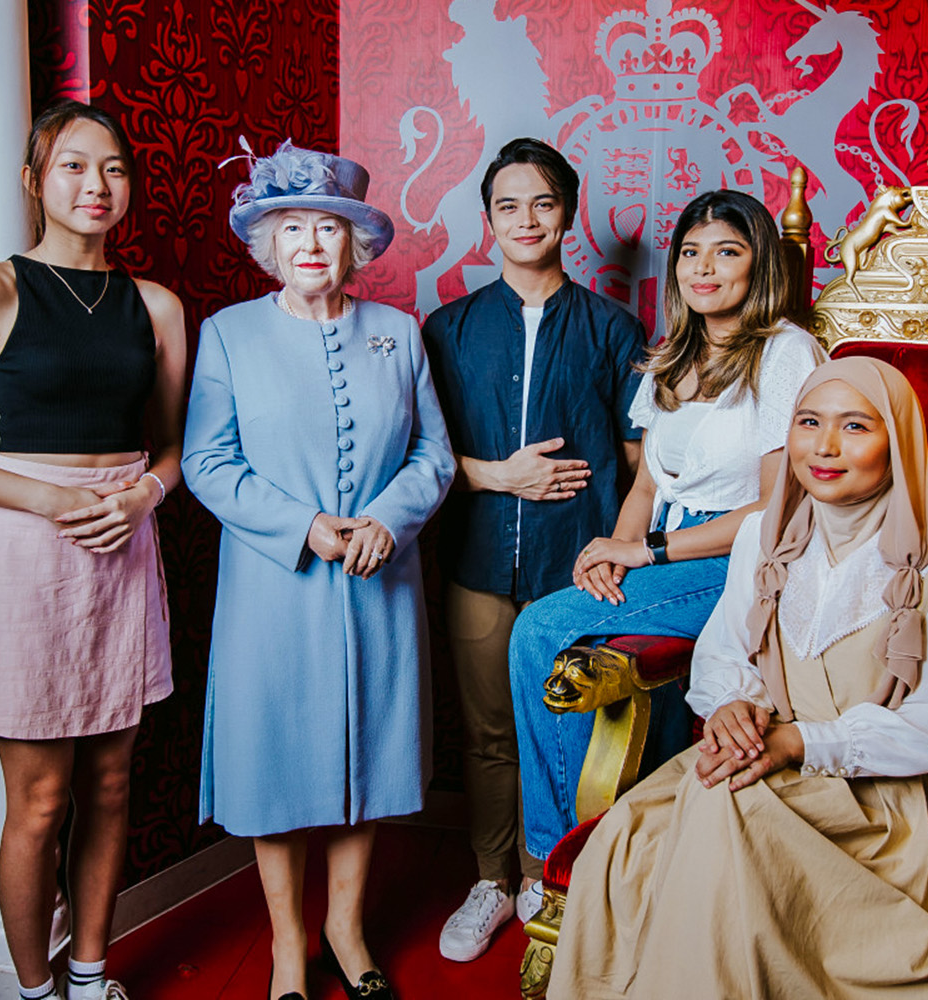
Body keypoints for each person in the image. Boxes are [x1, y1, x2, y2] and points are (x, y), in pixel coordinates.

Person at [550, 356, 928, 999]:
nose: (826, 446)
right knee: (645, 831)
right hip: (773, 753)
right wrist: (732, 705)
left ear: (898, 442)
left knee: (719, 805)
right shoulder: (765, 532)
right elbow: (727, 648)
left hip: (898, 795)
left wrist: (803, 744)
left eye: (856, 427)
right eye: (809, 422)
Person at [0, 100, 187, 1000]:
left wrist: (141, 494)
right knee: (41, 802)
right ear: (34, 181)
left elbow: (172, 450)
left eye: (115, 170)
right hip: (25, 552)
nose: (96, 186)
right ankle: (33, 990)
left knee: (110, 788)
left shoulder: (159, 306)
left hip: (124, 545)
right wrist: (53, 497)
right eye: (73, 167)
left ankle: (89, 979)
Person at [182, 141, 453, 1000]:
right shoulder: (227, 334)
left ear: (356, 247)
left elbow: (432, 454)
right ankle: (290, 947)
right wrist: (307, 528)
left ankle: (348, 928)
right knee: (276, 764)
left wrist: (386, 520)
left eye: (328, 229)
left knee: (368, 758)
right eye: (292, 228)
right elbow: (208, 464)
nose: (310, 245)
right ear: (268, 244)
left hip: (382, 579)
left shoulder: (398, 333)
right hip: (275, 587)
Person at [507, 188, 824, 884]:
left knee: (537, 630)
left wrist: (645, 553)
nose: (704, 267)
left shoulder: (785, 353)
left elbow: (776, 509)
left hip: (740, 563)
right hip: (660, 554)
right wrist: (610, 558)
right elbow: (647, 487)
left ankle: (557, 864)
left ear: (759, 264)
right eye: (690, 252)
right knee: (571, 632)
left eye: (727, 251)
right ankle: (618, 850)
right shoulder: (672, 355)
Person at [421, 138, 647, 961]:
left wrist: (621, 542)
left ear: (568, 215)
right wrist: (498, 475)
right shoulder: (445, 330)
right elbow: (416, 454)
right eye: (508, 205)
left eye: (542, 203)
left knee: (566, 734)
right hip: (478, 564)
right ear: (487, 222)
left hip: (573, 572)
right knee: (485, 731)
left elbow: (646, 455)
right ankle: (489, 877)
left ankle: (544, 877)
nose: (526, 219)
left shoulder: (615, 329)